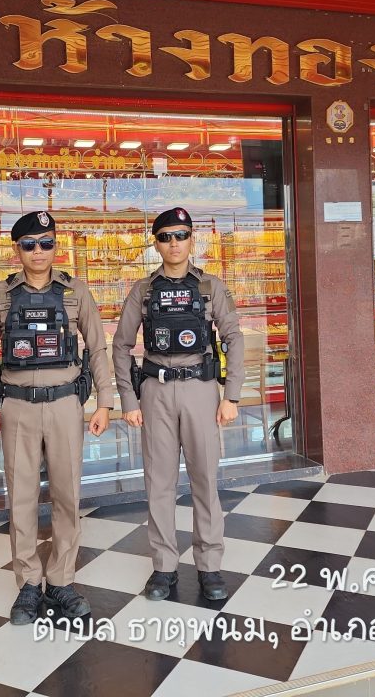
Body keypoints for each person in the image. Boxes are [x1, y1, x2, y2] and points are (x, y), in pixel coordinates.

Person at [0, 210, 113, 624]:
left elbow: (97, 348)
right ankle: (29, 584)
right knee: (21, 498)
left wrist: (105, 402)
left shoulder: (76, 291)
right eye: (30, 244)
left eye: (46, 243)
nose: (39, 251)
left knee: (67, 495)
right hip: (17, 406)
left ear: (56, 246)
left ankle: (62, 580)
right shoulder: (0, 295)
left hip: (66, 404)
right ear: (17, 249)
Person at [112, 207, 244, 602]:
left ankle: (209, 565)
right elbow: (121, 345)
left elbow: (234, 337)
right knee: (159, 483)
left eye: (181, 235)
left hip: (201, 390)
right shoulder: (143, 290)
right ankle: (164, 567)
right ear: (156, 244)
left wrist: (232, 394)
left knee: (205, 479)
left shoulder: (210, 287)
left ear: (191, 240)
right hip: (156, 391)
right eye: (166, 237)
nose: (174, 243)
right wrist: (128, 399)